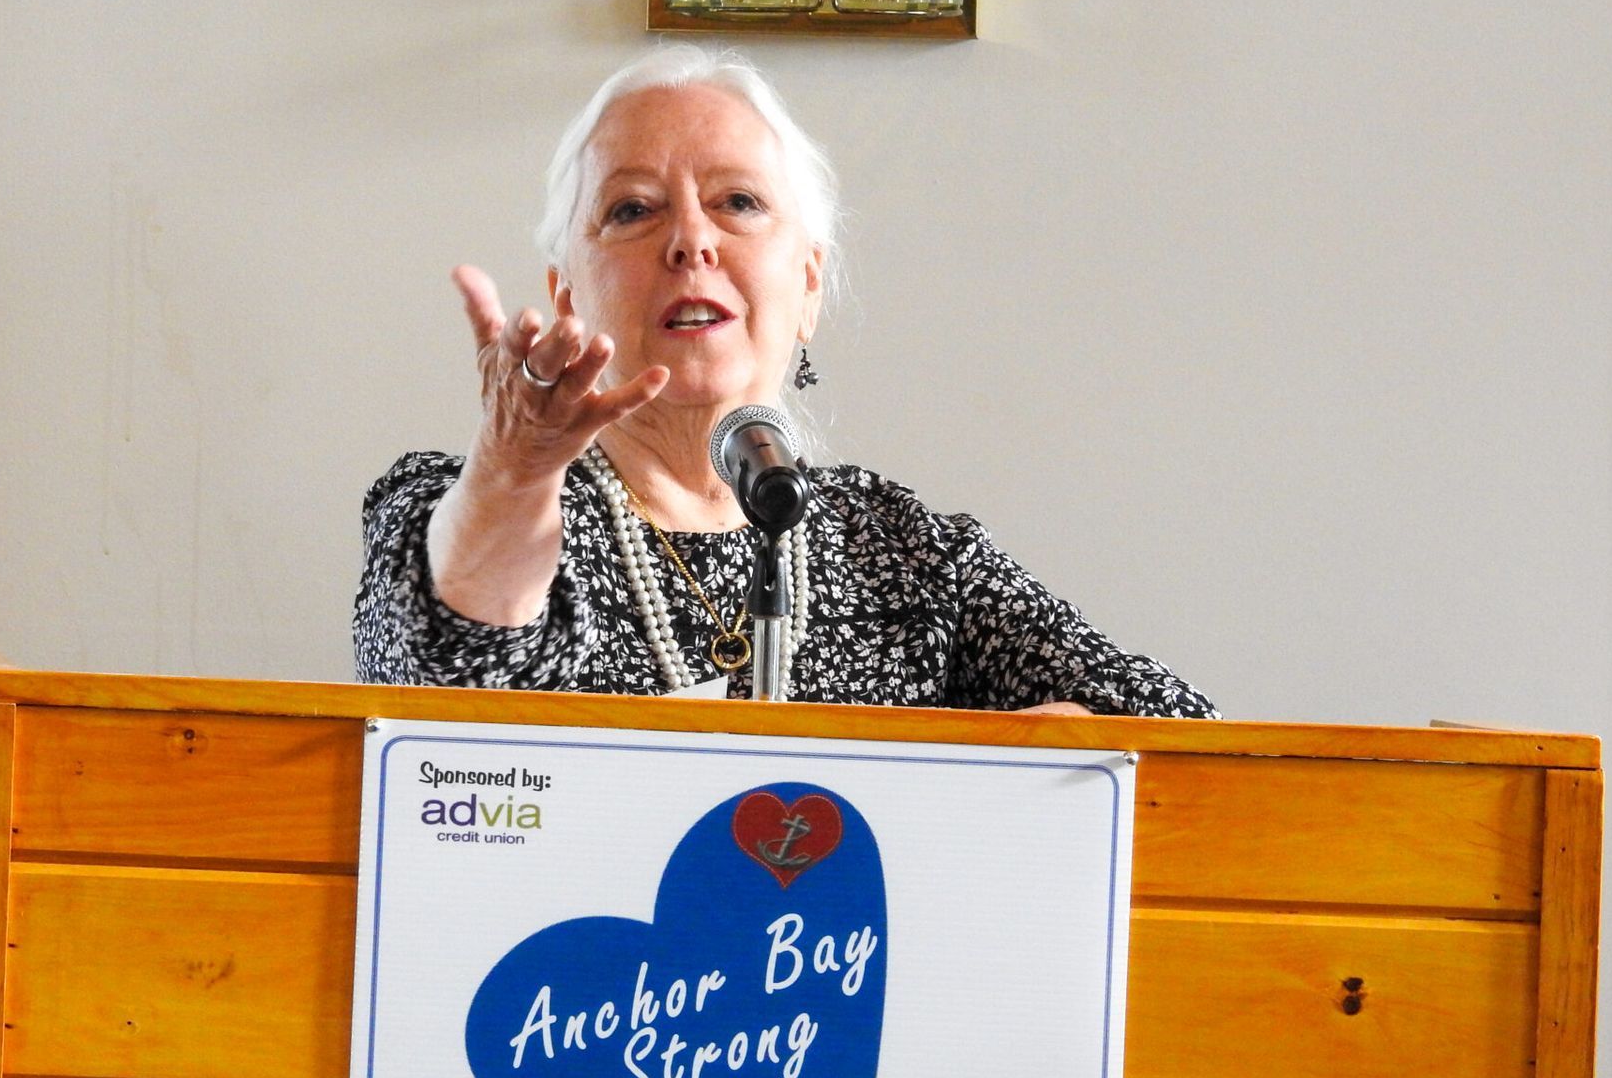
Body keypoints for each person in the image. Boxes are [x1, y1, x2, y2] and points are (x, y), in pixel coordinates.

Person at [353, 46, 1216, 716]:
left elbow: (1185, 737)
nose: (691, 241)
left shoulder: (906, 555)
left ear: (807, 284)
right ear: (566, 294)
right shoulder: (466, 507)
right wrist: (516, 465)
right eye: (632, 209)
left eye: (738, 203)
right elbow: (442, 682)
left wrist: (1062, 757)